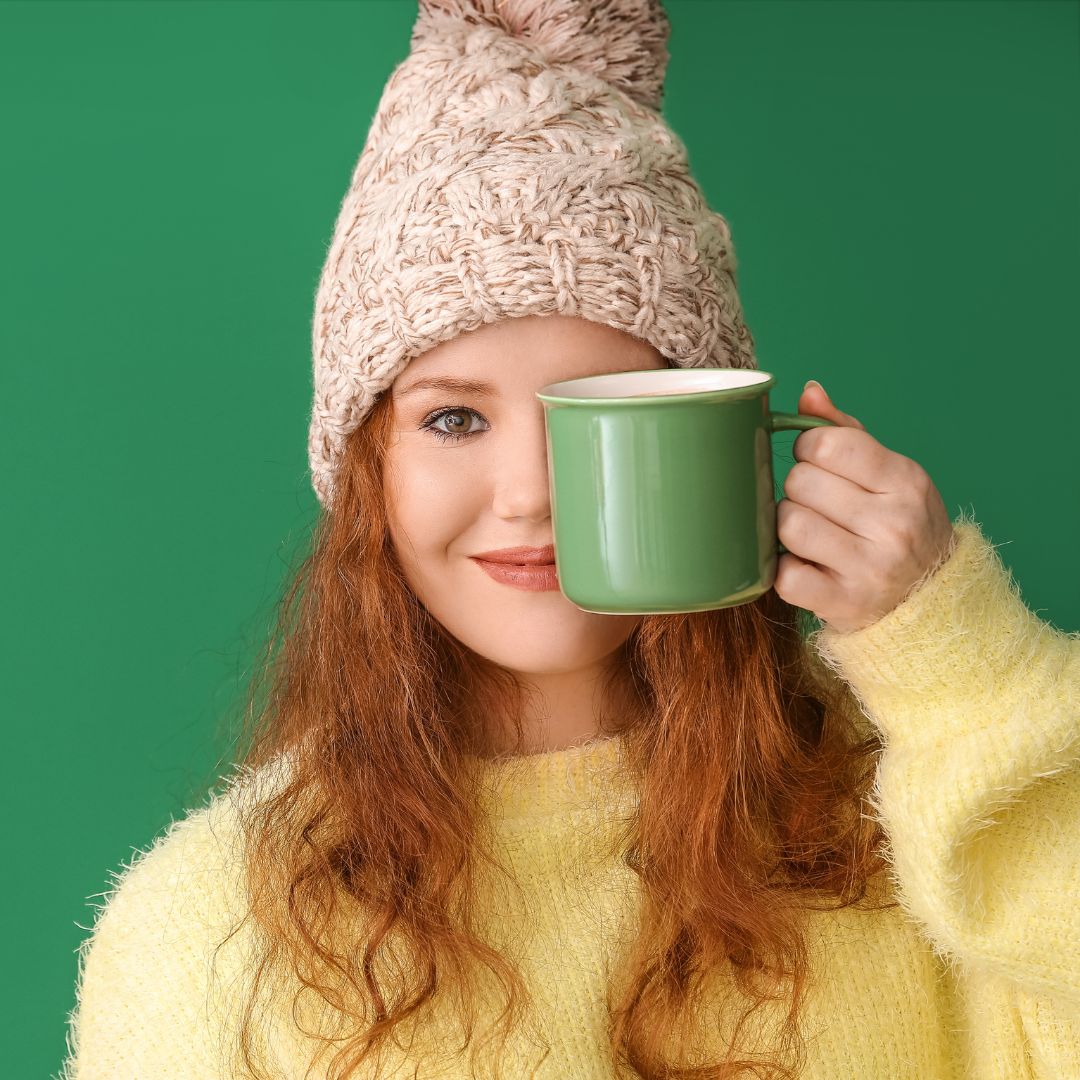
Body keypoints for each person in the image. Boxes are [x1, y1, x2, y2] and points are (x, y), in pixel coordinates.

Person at [60, 1, 1079, 1078]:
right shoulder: (208, 928)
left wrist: (958, 661)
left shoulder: (926, 826)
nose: (529, 494)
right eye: (454, 418)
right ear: (367, 474)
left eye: (603, 411)